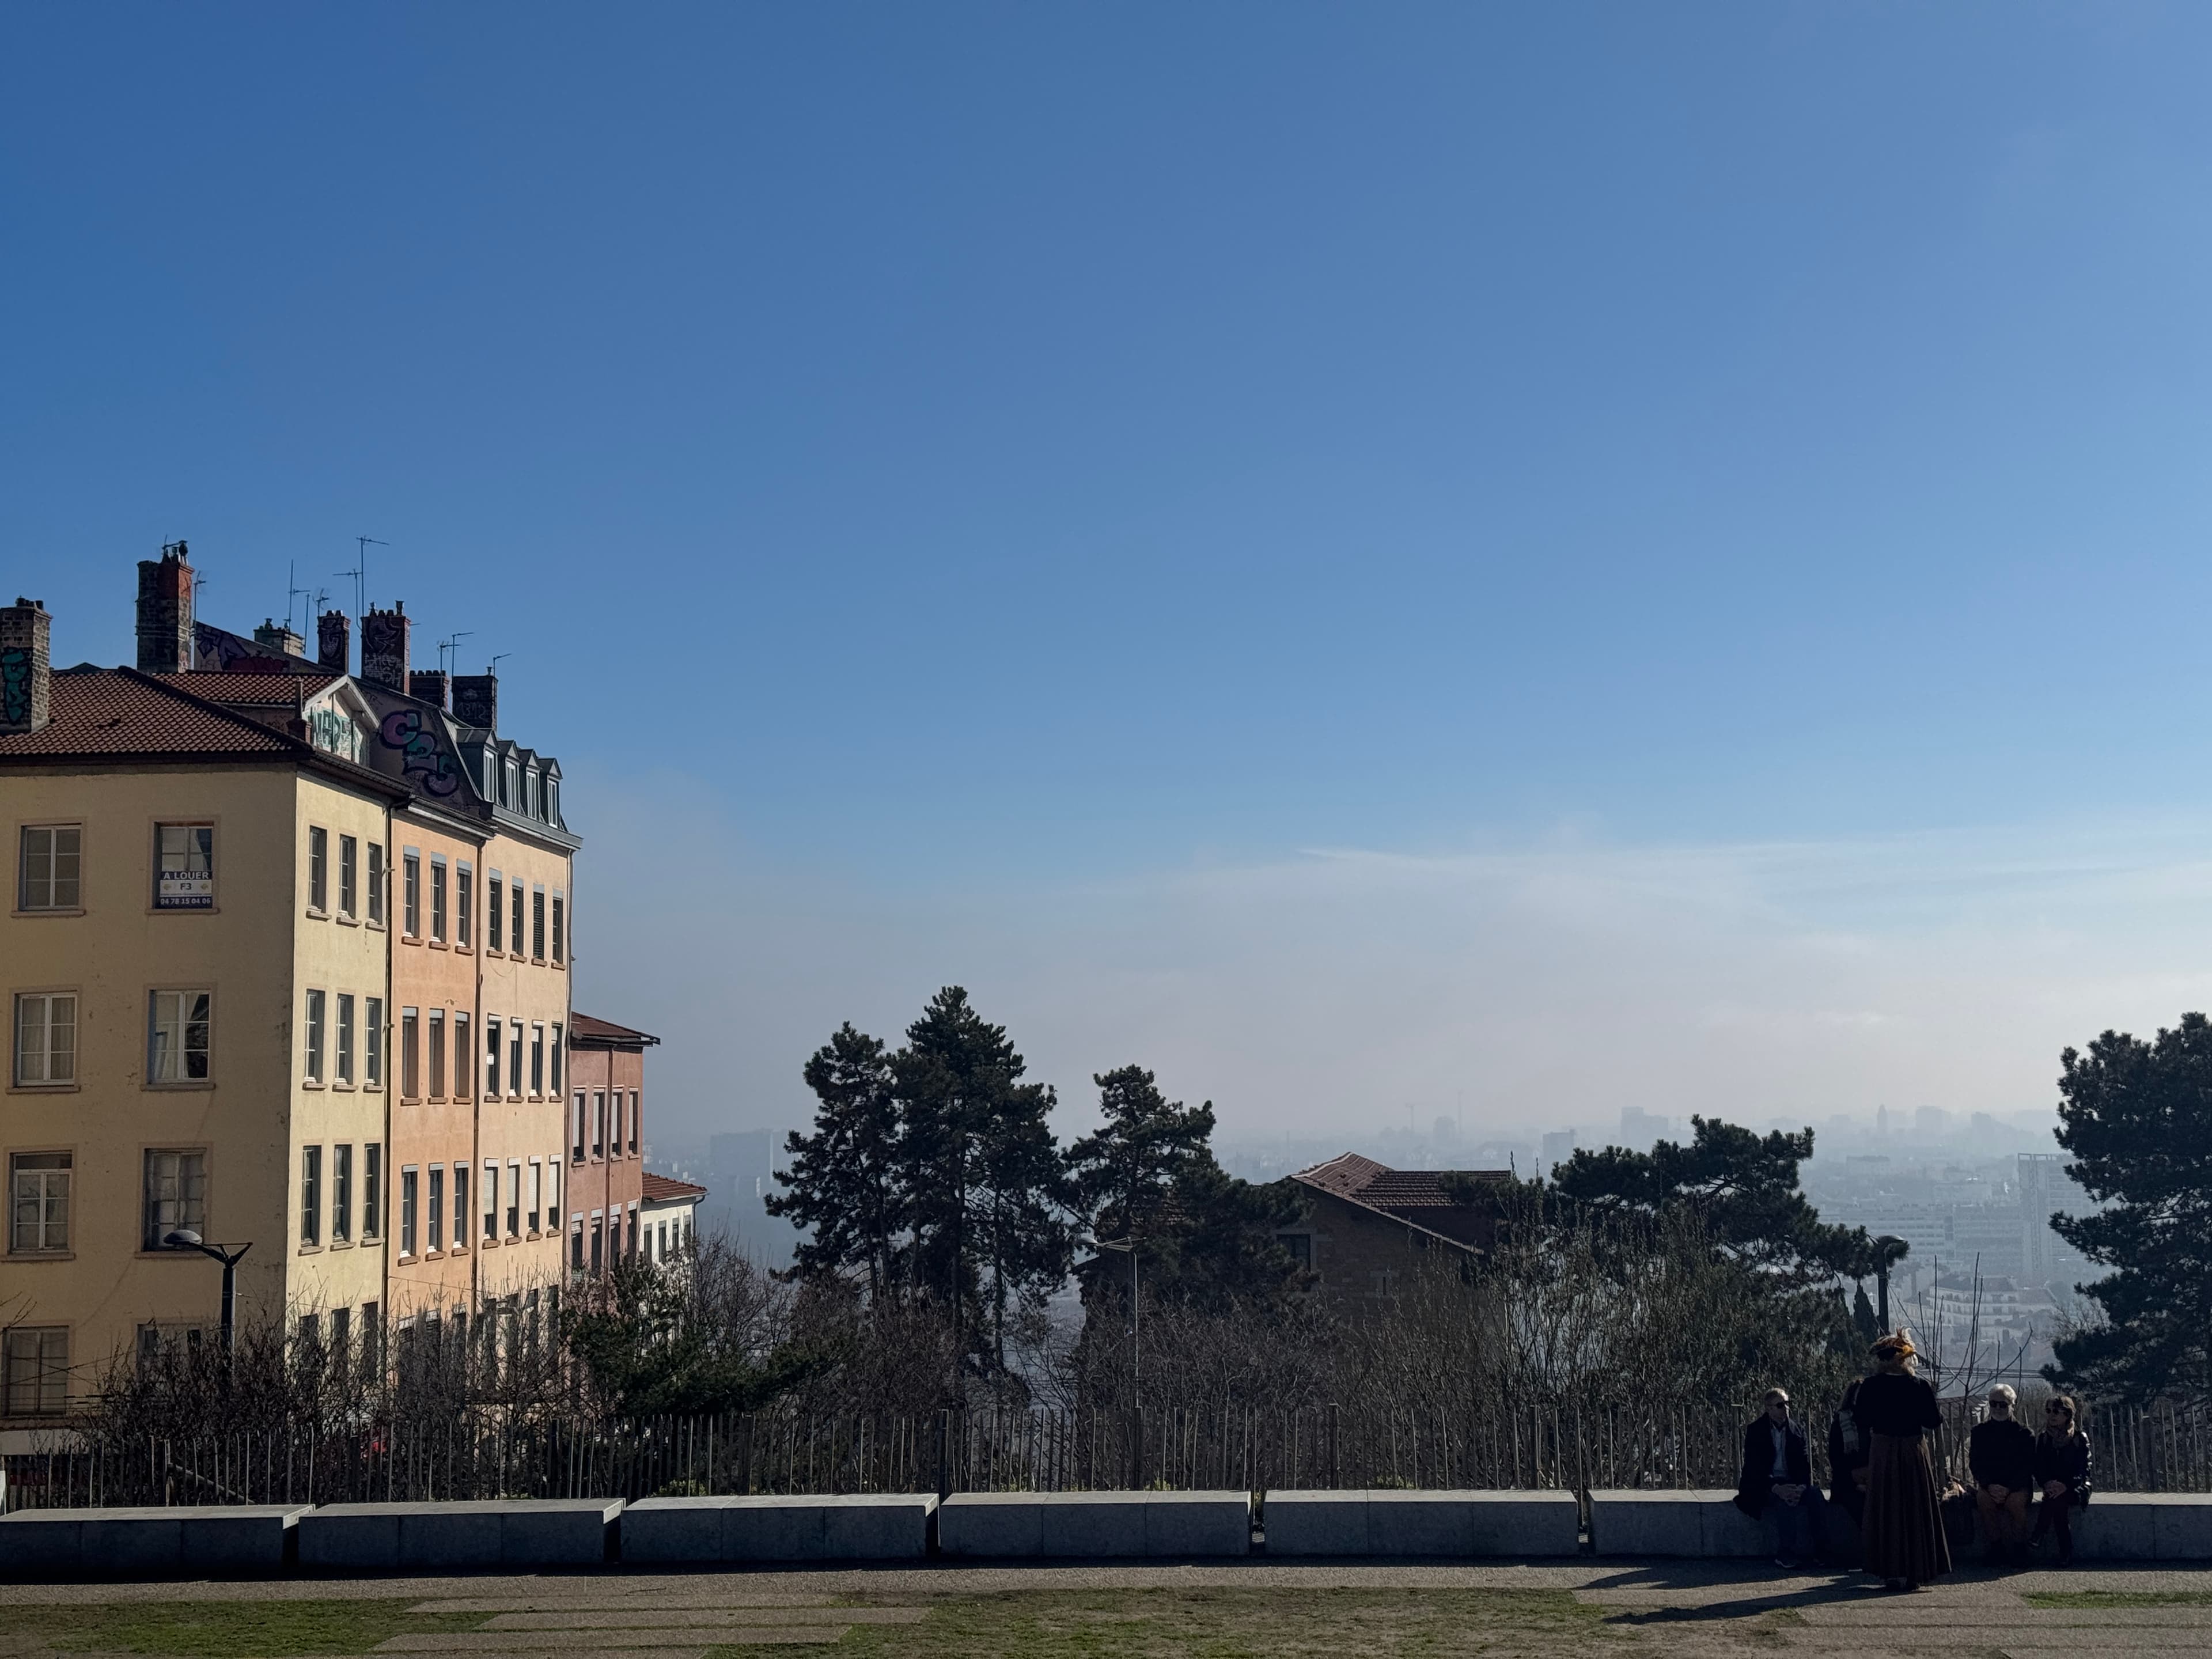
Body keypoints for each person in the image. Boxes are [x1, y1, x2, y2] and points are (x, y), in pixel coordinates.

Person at [1855, 1331, 1951, 1590]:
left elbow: (1861, 1421)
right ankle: (1915, 1572)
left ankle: (1891, 1571)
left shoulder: (1870, 1386)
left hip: (1883, 1450)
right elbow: (1933, 1421)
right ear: (1905, 1359)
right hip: (1912, 1450)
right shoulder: (1918, 1386)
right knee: (1914, 1508)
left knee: (1887, 1508)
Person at [1734, 1387, 1826, 1569]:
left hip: (1792, 1482)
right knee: (1783, 1503)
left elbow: (1804, 1463)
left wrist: (1801, 1487)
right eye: (1780, 1405)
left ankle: (1823, 1552)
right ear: (1768, 1408)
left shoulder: (1796, 1430)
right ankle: (1786, 1554)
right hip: (1764, 1484)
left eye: (1787, 1404)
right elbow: (1755, 1468)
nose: (1786, 1409)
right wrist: (1775, 1488)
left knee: (1816, 1496)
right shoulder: (1756, 1430)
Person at [1969, 1384, 2036, 1566]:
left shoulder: (2025, 1434)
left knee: (2015, 1503)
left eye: (2003, 1405)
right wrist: (1989, 1485)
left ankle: (2019, 1548)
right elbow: (1975, 1463)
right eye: (1994, 1404)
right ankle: (1996, 1548)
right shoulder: (1979, 1433)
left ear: (2012, 1405)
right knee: (1983, 1501)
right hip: (1990, 1485)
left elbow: (2028, 1466)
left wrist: (2009, 1488)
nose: (1998, 1408)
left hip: (2017, 1486)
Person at [2031, 1393, 2093, 1566]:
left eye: (2056, 1411)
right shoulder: (2044, 1439)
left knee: (2057, 1500)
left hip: (2076, 1487)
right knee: (2057, 1502)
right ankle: (2066, 1552)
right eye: (2048, 1411)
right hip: (2053, 1489)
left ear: (2067, 1414)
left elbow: (2084, 1469)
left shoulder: (2079, 1438)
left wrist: (2066, 1485)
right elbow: (2039, 1467)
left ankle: (2040, 1532)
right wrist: (2047, 1483)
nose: (2051, 1415)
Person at [1828, 1374, 1870, 1525]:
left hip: (1872, 1479)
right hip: (1847, 1483)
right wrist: (1855, 1481)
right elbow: (1835, 1459)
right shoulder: (1841, 1423)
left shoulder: (1874, 1424)